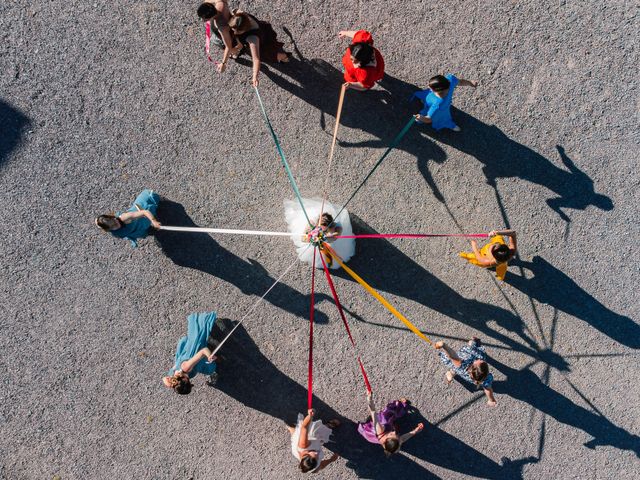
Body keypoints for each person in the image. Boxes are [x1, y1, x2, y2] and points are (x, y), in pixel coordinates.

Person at [284, 198, 355, 269]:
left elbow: (335, 236)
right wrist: (311, 239)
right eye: (320, 227)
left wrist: (324, 238)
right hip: (316, 238)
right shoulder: (312, 223)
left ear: (331, 225)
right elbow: (303, 238)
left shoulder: (338, 227)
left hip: (331, 242)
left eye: (325, 229)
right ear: (318, 223)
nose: (322, 230)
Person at [228, 10, 291, 87]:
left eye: (236, 30)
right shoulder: (241, 16)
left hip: (263, 46)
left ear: (244, 29)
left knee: (272, 55)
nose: (234, 32)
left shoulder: (252, 38)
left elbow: (256, 59)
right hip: (264, 31)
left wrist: (255, 77)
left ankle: (285, 57)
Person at [162, 311, 219, 394]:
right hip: (185, 356)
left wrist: (209, 356)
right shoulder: (172, 378)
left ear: (185, 379)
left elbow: (203, 351)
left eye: (189, 382)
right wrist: (168, 383)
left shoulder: (186, 368)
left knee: (210, 369)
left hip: (195, 352)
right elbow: (164, 379)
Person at [435, 337, 497, 407]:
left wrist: (444, 345)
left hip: (460, 367)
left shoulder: (462, 365)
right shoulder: (485, 379)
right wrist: (491, 400)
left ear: (471, 368)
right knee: (457, 368)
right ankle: (451, 373)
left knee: (455, 367)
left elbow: (452, 356)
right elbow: (488, 389)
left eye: (478, 362)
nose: (480, 360)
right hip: (465, 374)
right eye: (483, 362)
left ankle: (451, 373)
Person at [357, 393, 424, 455]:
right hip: (382, 433)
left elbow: (373, 413)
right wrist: (415, 431)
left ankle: (396, 406)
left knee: (385, 419)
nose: (394, 432)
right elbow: (402, 439)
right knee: (391, 424)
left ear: (386, 439)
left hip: (371, 430)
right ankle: (399, 407)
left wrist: (369, 400)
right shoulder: (394, 442)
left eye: (391, 434)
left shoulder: (380, 430)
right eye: (396, 436)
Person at [95, 189, 161, 247]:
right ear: (108, 229)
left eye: (114, 220)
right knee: (143, 228)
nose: (116, 223)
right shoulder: (115, 232)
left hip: (144, 203)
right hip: (137, 226)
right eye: (113, 226)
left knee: (153, 206)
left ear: (113, 217)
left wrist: (154, 221)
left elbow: (145, 212)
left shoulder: (124, 218)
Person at [413, 74, 478, 131]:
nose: (428, 86)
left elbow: (429, 119)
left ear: (436, 90)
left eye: (430, 87)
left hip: (436, 105)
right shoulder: (450, 80)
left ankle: (451, 126)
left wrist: (422, 118)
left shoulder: (438, 105)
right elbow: (461, 82)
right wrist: (470, 83)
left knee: (441, 118)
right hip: (437, 102)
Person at [288, 408, 340, 473]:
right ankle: (292, 428)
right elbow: (321, 465)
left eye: (314, 454)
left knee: (296, 435)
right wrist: (331, 460)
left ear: (305, 455)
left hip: (302, 443)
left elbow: (304, 428)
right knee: (318, 438)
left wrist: (310, 416)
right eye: (317, 458)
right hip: (312, 444)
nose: (316, 453)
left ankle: (291, 429)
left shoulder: (303, 445)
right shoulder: (313, 466)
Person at [197, 1, 242, 70]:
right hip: (232, 21)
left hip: (231, 35)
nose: (203, 20)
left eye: (204, 19)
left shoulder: (221, 26)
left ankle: (236, 51)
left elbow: (228, 46)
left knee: (215, 40)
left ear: (211, 16)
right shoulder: (220, 3)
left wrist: (223, 63)